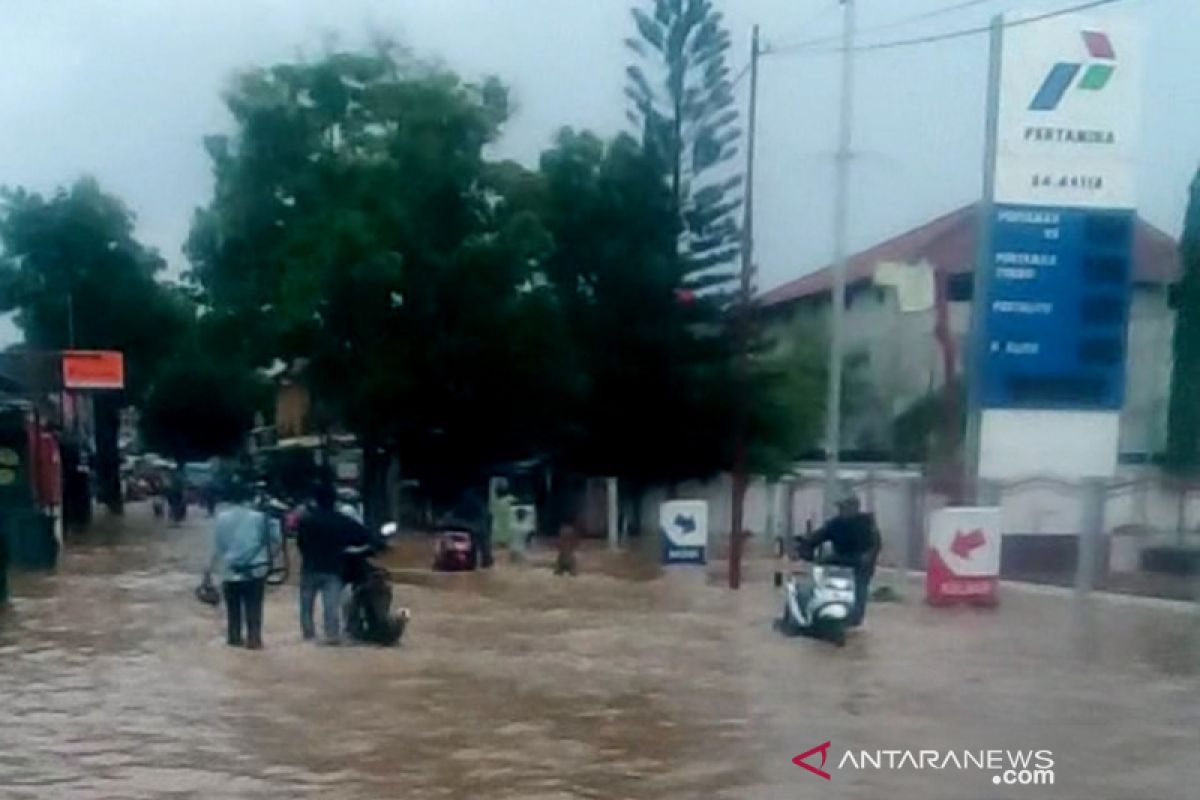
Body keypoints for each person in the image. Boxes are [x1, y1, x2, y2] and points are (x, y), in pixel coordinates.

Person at [296, 482, 371, 645]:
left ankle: (308, 636)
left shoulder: (306, 521)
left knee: (306, 606)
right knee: (331, 606)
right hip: (333, 569)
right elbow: (366, 536)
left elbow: (300, 544)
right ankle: (332, 635)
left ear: (315, 500)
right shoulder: (342, 520)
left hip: (309, 568)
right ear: (334, 500)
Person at [205, 484, 279, 649]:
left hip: (229, 572)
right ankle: (254, 641)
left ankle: (234, 640)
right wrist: (268, 559)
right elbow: (276, 540)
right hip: (255, 571)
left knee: (233, 613)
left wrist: (208, 572)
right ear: (251, 498)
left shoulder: (221, 518)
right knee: (254, 609)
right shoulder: (259, 518)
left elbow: (217, 548)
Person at [806, 490, 881, 627]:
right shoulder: (835, 524)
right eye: (840, 508)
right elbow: (818, 536)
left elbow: (876, 544)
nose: (842, 511)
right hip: (840, 562)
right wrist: (804, 547)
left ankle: (856, 619)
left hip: (860, 565)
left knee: (860, 590)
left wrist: (868, 556)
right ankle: (818, 610)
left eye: (845, 507)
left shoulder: (867, 523)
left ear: (855, 508)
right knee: (820, 567)